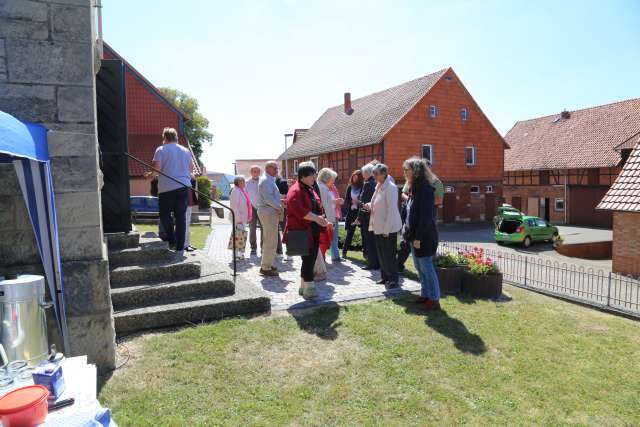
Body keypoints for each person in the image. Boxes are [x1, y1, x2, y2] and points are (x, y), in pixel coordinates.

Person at [284, 162, 329, 299]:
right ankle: (309, 287)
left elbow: (316, 206)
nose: (314, 178)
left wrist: (322, 218)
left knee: (310, 259)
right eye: (312, 175)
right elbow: (299, 211)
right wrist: (317, 218)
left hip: (311, 230)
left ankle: (304, 286)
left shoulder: (309, 188)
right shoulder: (295, 190)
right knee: (309, 259)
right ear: (303, 176)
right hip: (302, 231)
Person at [145, 127, 193, 252]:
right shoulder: (186, 150)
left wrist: (149, 176)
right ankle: (180, 246)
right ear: (176, 137)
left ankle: (172, 240)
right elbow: (191, 170)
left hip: (167, 188)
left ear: (165, 137)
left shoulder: (161, 149)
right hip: (183, 186)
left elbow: (156, 169)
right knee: (180, 217)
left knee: (165, 215)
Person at [402, 157, 441, 310]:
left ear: (416, 171)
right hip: (414, 236)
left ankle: (434, 298)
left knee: (427, 268)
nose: (404, 172)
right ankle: (425, 294)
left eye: (407, 169)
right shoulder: (414, 188)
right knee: (419, 267)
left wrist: (418, 237)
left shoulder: (425, 189)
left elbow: (426, 217)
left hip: (424, 236)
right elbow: (411, 212)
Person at [367, 163, 402, 289]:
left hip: (388, 228)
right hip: (378, 227)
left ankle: (393, 279)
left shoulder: (390, 187)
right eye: (373, 174)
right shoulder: (379, 185)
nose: (374, 176)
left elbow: (391, 210)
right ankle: (384, 277)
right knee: (381, 254)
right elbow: (376, 203)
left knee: (389, 255)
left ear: (383, 174)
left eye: (376, 174)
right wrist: (369, 205)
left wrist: (386, 230)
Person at [256, 161, 282, 276]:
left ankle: (268, 264)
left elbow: (272, 197)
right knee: (270, 240)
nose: (277, 170)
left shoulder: (269, 180)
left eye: (277, 168)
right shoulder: (266, 180)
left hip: (269, 211)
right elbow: (268, 199)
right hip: (268, 212)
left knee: (272, 239)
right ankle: (265, 267)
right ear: (268, 169)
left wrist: (280, 202)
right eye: (275, 168)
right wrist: (279, 206)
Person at [317, 168, 343, 262]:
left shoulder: (324, 187)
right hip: (327, 218)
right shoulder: (322, 188)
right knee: (324, 240)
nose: (333, 181)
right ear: (327, 178)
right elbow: (323, 204)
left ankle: (322, 260)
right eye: (332, 179)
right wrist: (328, 220)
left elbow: (327, 202)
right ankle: (321, 261)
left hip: (328, 217)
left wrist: (334, 201)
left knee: (327, 240)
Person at [357, 162, 380, 270]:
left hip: (368, 216)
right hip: (376, 215)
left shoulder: (367, 184)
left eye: (362, 173)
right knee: (375, 241)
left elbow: (364, 202)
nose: (362, 176)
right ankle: (377, 262)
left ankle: (372, 263)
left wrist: (359, 217)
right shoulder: (377, 182)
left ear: (366, 173)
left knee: (369, 241)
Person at [228, 175, 252, 260]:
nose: (244, 183)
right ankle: (235, 255)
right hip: (238, 219)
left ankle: (240, 254)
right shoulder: (236, 191)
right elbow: (234, 206)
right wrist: (238, 220)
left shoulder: (242, 190)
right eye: (242, 181)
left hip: (242, 218)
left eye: (244, 181)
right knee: (237, 236)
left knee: (241, 236)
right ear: (238, 182)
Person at [342, 170, 364, 258]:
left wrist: (358, 202)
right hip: (352, 212)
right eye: (353, 176)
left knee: (364, 233)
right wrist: (351, 203)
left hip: (361, 212)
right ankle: (344, 252)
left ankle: (366, 253)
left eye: (356, 177)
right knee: (350, 233)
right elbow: (346, 199)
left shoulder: (363, 187)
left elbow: (365, 199)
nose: (354, 178)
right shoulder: (350, 187)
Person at [245, 165, 262, 256]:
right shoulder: (247, 182)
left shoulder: (262, 181)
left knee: (263, 228)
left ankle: (263, 248)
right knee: (252, 229)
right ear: (251, 172)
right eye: (254, 171)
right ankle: (253, 248)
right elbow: (245, 195)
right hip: (251, 208)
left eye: (257, 171)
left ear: (260, 172)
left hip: (262, 208)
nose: (256, 173)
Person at [275, 174, 289, 255]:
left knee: (285, 229)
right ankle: (279, 251)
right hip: (274, 208)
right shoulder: (270, 181)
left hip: (282, 208)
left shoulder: (282, 182)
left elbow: (286, 196)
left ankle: (288, 251)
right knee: (276, 230)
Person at [183, 178, 199, 252]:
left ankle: (187, 244)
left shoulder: (189, 179)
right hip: (184, 204)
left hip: (189, 204)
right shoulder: (182, 178)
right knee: (184, 225)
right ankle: (184, 245)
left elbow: (193, 181)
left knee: (187, 225)